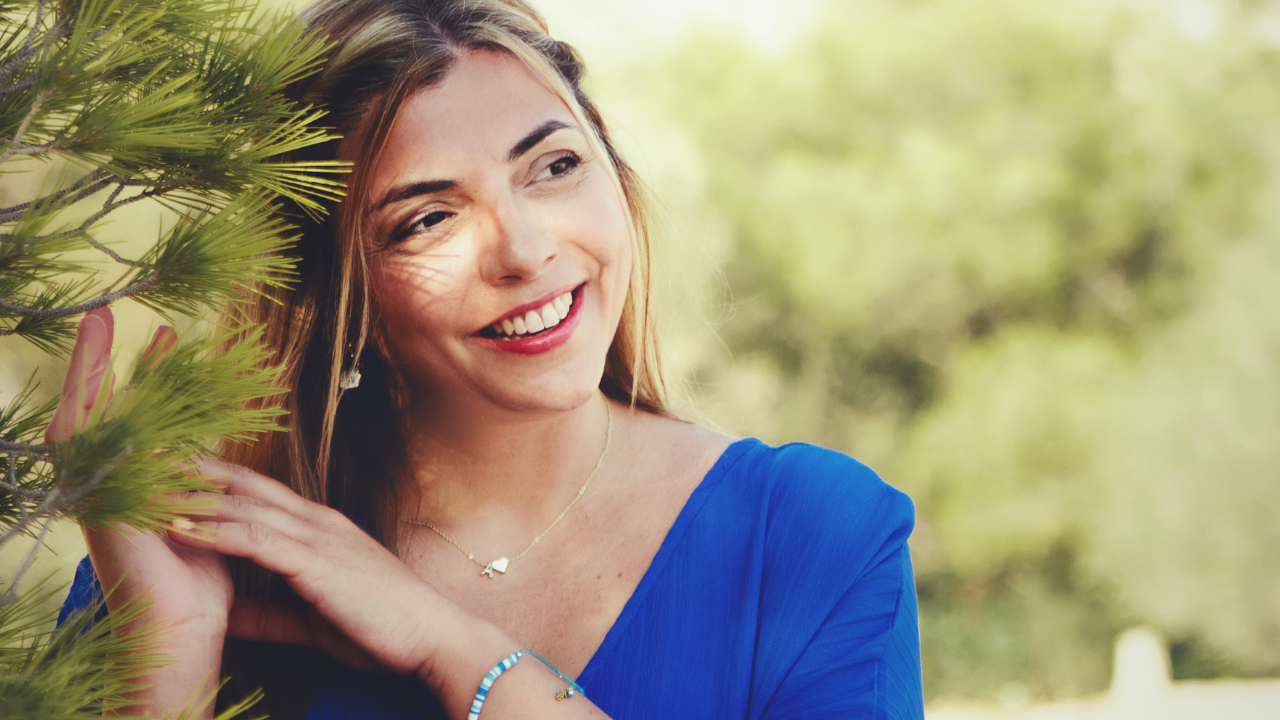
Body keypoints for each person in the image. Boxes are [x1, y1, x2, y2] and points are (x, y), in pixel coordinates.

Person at [57, 0, 924, 718]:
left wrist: (456, 652)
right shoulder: (184, 565)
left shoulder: (813, 536)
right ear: (334, 295)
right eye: (428, 219)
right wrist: (169, 656)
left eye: (554, 166)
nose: (524, 249)